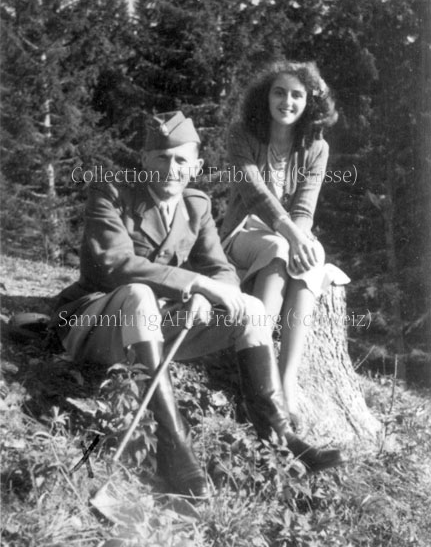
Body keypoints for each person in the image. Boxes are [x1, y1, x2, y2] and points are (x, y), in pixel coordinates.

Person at [51, 111, 342, 500]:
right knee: (138, 294)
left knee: (252, 309)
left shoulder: (195, 206)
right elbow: (114, 265)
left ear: (196, 166)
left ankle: (280, 437)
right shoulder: (112, 192)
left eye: (181, 160)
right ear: (144, 159)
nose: (172, 168)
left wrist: (207, 293)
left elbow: (220, 269)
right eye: (162, 157)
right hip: (95, 324)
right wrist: (195, 284)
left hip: (149, 331)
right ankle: (174, 446)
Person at [220, 61, 349, 430]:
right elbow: (254, 193)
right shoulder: (242, 134)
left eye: (297, 95)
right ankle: (259, 380)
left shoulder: (316, 147)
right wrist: (291, 236)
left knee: (314, 257)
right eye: (279, 92)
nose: (287, 102)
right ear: (266, 96)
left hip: (287, 233)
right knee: (278, 249)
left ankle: (286, 380)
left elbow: (305, 207)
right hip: (243, 231)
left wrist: (300, 240)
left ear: (310, 102)